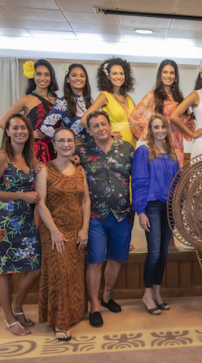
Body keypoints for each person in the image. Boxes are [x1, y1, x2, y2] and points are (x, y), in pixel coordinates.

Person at [0, 114, 41, 336]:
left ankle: (17, 307)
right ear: (7, 131)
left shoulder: (29, 158)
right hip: (3, 223)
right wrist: (22, 195)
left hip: (25, 221)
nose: (20, 131)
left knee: (34, 268)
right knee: (4, 271)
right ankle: (9, 319)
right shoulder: (1, 157)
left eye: (24, 127)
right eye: (15, 127)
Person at [77, 111, 135, 327]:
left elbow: (136, 179)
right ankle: (94, 306)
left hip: (122, 214)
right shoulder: (81, 152)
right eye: (95, 126)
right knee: (95, 261)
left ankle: (107, 297)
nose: (101, 128)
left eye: (103, 124)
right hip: (94, 216)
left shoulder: (127, 149)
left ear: (110, 126)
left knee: (116, 258)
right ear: (89, 130)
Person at [35, 128, 90, 341]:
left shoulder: (80, 170)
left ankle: (74, 314)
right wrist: (55, 232)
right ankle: (60, 322)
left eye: (69, 141)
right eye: (61, 141)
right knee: (60, 273)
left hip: (77, 229)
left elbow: (85, 201)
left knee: (74, 273)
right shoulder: (45, 169)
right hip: (54, 232)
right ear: (54, 144)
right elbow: (40, 202)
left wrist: (84, 229)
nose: (66, 144)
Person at [131, 114, 180, 315]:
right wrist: (141, 212)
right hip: (151, 206)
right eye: (156, 127)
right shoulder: (144, 151)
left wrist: (179, 205)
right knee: (154, 253)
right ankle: (147, 294)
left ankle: (158, 294)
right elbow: (139, 181)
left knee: (164, 252)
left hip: (169, 207)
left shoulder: (171, 152)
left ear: (167, 130)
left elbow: (178, 180)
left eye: (163, 127)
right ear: (150, 130)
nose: (160, 130)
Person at [129, 59, 195, 166]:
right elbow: (134, 117)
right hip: (159, 145)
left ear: (176, 76)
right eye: (165, 72)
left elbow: (187, 120)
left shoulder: (179, 97)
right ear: (160, 74)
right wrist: (150, 130)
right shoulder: (152, 95)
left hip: (177, 146)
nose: (168, 75)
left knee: (176, 179)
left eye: (172, 72)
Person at [0, 59, 58, 163]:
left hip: (56, 149)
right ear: (33, 76)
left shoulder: (58, 101)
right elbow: (2, 123)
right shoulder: (25, 100)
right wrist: (29, 134)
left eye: (46, 74)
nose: (42, 78)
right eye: (38, 74)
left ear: (51, 77)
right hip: (36, 152)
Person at [81, 57, 137, 147]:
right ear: (108, 76)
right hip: (114, 146)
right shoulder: (105, 96)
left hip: (132, 145)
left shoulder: (128, 98)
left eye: (121, 73)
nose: (118, 77)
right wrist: (106, 134)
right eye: (114, 73)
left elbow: (136, 121)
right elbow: (84, 120)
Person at [41, 63, 93, 144]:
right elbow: (45, 126)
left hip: (92, 148)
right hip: (74, 150)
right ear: (67, 79)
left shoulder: (90, 101)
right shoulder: (63, 102)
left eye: (82, 76)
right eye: (74, 75)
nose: (78, 78)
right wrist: (66, 140)